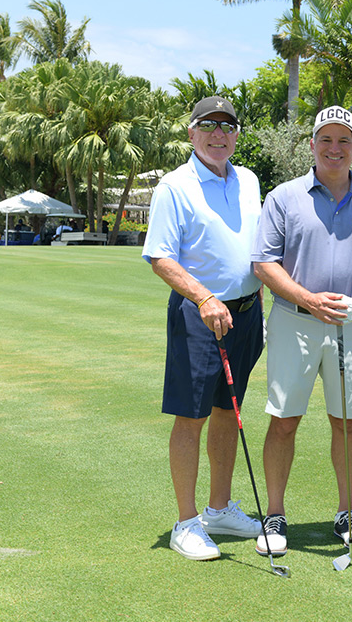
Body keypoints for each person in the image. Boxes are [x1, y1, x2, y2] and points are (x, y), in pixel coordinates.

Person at [251, 105, 352, 558]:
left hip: (350, 324)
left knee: (347, 421)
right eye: (326, 140)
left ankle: (347, 512)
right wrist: (309, 299)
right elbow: (263, 263)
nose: (335, 149)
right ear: (312, 144)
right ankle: (274, 514)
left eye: (344, 141)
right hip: (295, 320)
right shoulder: (284, 197)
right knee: (284, 420)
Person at [142, 96, 265, 561]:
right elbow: (160, 256)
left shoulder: (249, 180)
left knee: (227, 410)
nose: (219, 135)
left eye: (227, 127)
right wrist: (204, 296)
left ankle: (218, 509)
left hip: (246, 313)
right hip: (200, 314)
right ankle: (186, 522)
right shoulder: (175, 186)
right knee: (191, 416)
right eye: (208, 127)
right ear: (192, 133)